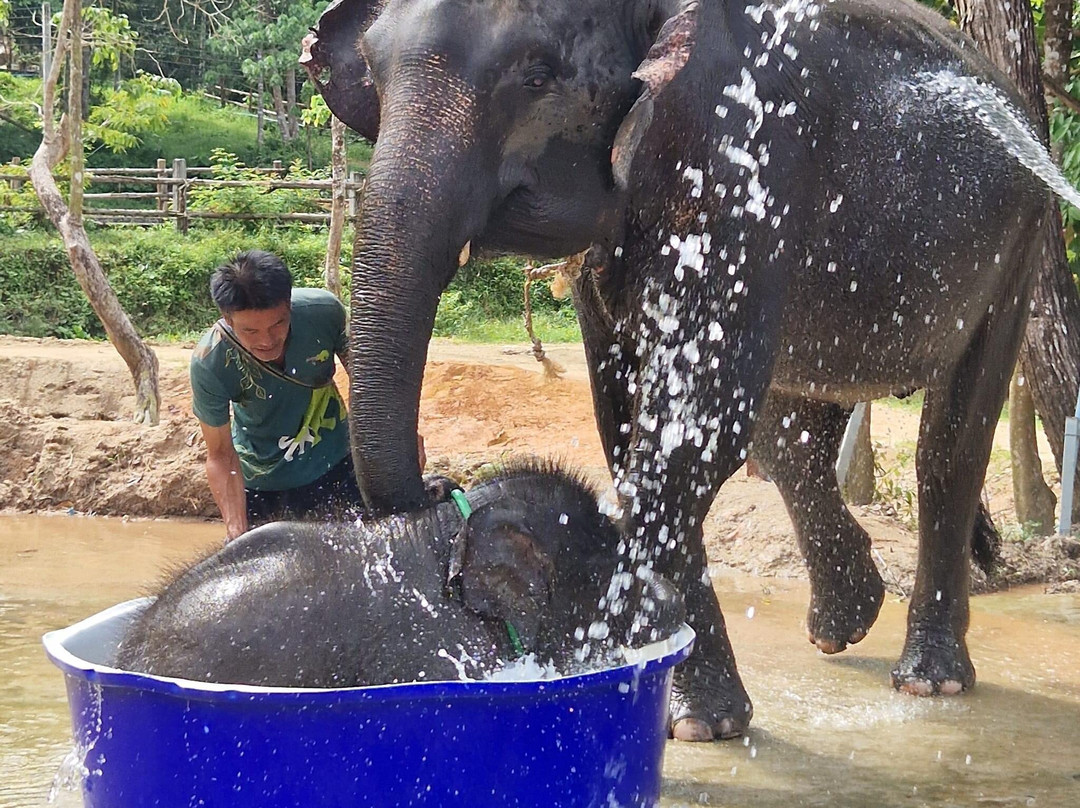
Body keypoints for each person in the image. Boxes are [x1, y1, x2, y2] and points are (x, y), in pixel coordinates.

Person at [190, 250, 425, 540]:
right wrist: (237, 533)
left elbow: (373, 386)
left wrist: (402, 441)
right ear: (226, 319)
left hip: (339, 467)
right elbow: (221, 455)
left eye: (278, 324)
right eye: (250, 331)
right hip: (263, 485)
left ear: (289, 305)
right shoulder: (210, 361)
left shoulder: (323, 313)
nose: (266, 340)